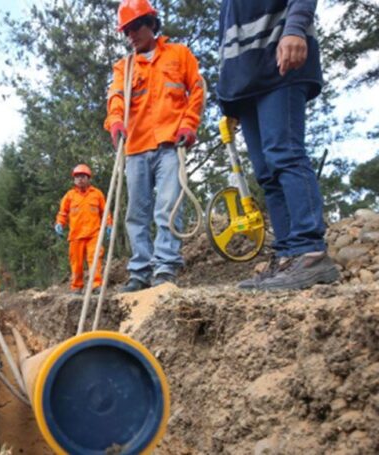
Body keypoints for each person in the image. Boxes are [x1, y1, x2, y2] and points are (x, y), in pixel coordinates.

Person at [218, 0, 339, 290]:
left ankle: (310, 252)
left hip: (278, 61)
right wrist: (228, 96)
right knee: (266, 173)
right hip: (244, 82)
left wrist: (295, 27)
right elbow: (226, 39)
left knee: (284, 154)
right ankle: (287, 255)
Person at [105, 0, 205, 292]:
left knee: (168, 208)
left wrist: (189, 124)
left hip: (170, 144)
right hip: (135, 147)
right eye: (126, 30)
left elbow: (197, 90)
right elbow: (116, 99)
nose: (130, 35)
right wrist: (114, 122)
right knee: (136, 213)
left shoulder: (179, 55)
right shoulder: (124, 66)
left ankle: (165, 268)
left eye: (135, 27)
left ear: (150, 23)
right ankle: (139, 271)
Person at [54, 164, 112, 294]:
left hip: (94, 234)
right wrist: (60, 224)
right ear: (74, 180)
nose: (80, 179)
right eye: (77, 177)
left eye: (83, 176)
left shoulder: (97, 194)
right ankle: (77, 287)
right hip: (76, 236)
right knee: (77, 263)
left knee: (95, 259)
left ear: (88, 178)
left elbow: (105, 212)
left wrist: (109, 225)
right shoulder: (69, 196)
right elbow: (63, 213)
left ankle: (96, 286)